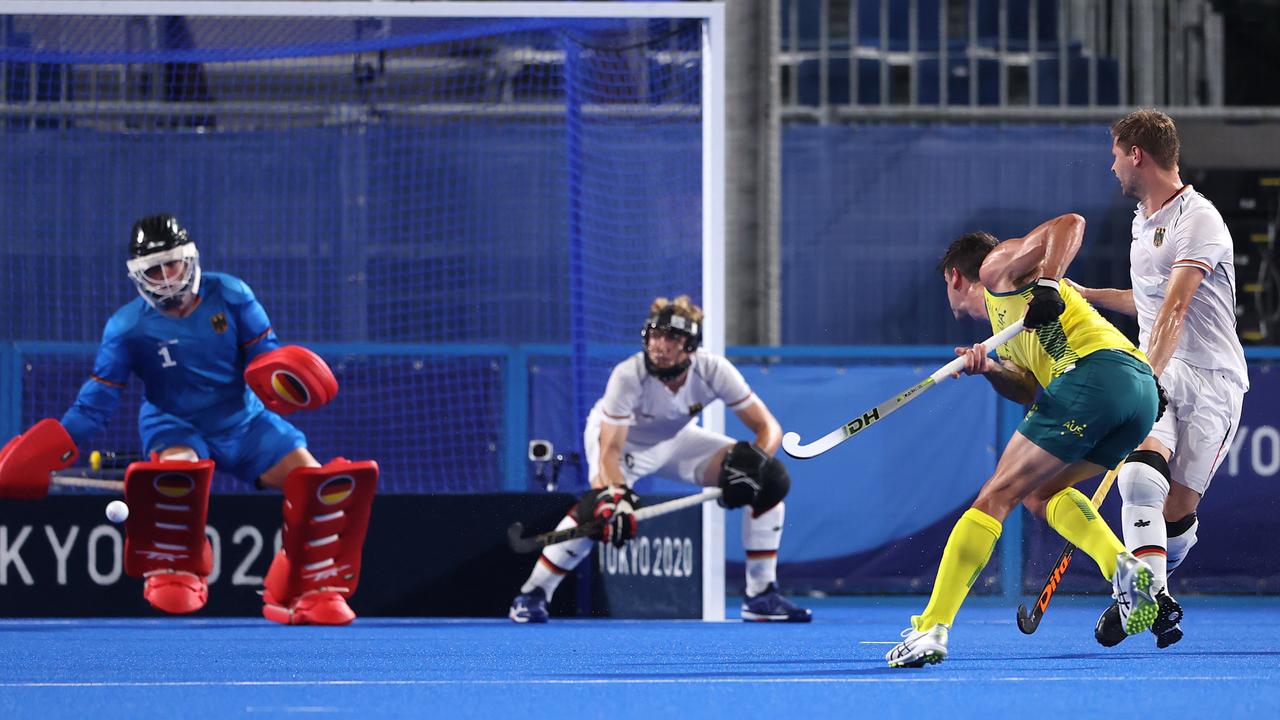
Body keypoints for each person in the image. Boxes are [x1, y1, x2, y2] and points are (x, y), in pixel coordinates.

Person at [0, 214, 377, 625]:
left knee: (317, 485)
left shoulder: (231, 295)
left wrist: (282, 376)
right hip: (174, 424)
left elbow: (266, 356)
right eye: (152, 270)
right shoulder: (126, 328)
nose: (164, 277)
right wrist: (46, 453)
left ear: (190, 259)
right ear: (137, 275)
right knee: (177, 476)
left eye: (171, 264)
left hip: (246, 422)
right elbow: (95, 406)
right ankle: (175, 567)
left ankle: (304, 588)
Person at [886, 214, 1163, 668]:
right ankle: (1125, 571)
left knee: (994, 496)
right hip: (1137, 391)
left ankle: (930, 629)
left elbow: (1070, 224)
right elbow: (1032, 389)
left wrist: (1050, 285)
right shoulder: (1004, 329)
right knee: (1039, 493)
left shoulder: (999, 270)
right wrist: (990, 368)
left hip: (1095, 376)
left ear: (955, 275)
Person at [508, 295, 811, 624]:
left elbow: (768, 428)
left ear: (690, 346)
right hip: (622, 446)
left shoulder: (713, 370)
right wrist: (614, 497)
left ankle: (761, 595)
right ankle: (532, 594)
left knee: (770, 480)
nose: (659, 346)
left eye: (671, 338)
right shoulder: (629, 375)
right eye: (654, 336)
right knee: (599, 509)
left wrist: (753, 465)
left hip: (677, 440)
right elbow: (609, 450)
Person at [1070, 109, 1248, 649]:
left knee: (1176, 518)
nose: (1112, 167)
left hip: (1213, 380)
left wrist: (1144, 376)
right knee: (1139, 477)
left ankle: (1146, 588)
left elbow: (1176, 307)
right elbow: (1148, 302)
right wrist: (1091, 296)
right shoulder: (1142, 222)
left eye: (1116, 155)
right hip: (1165, 368)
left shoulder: (1200, 219)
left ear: (1137, 155)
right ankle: (1152, 595)